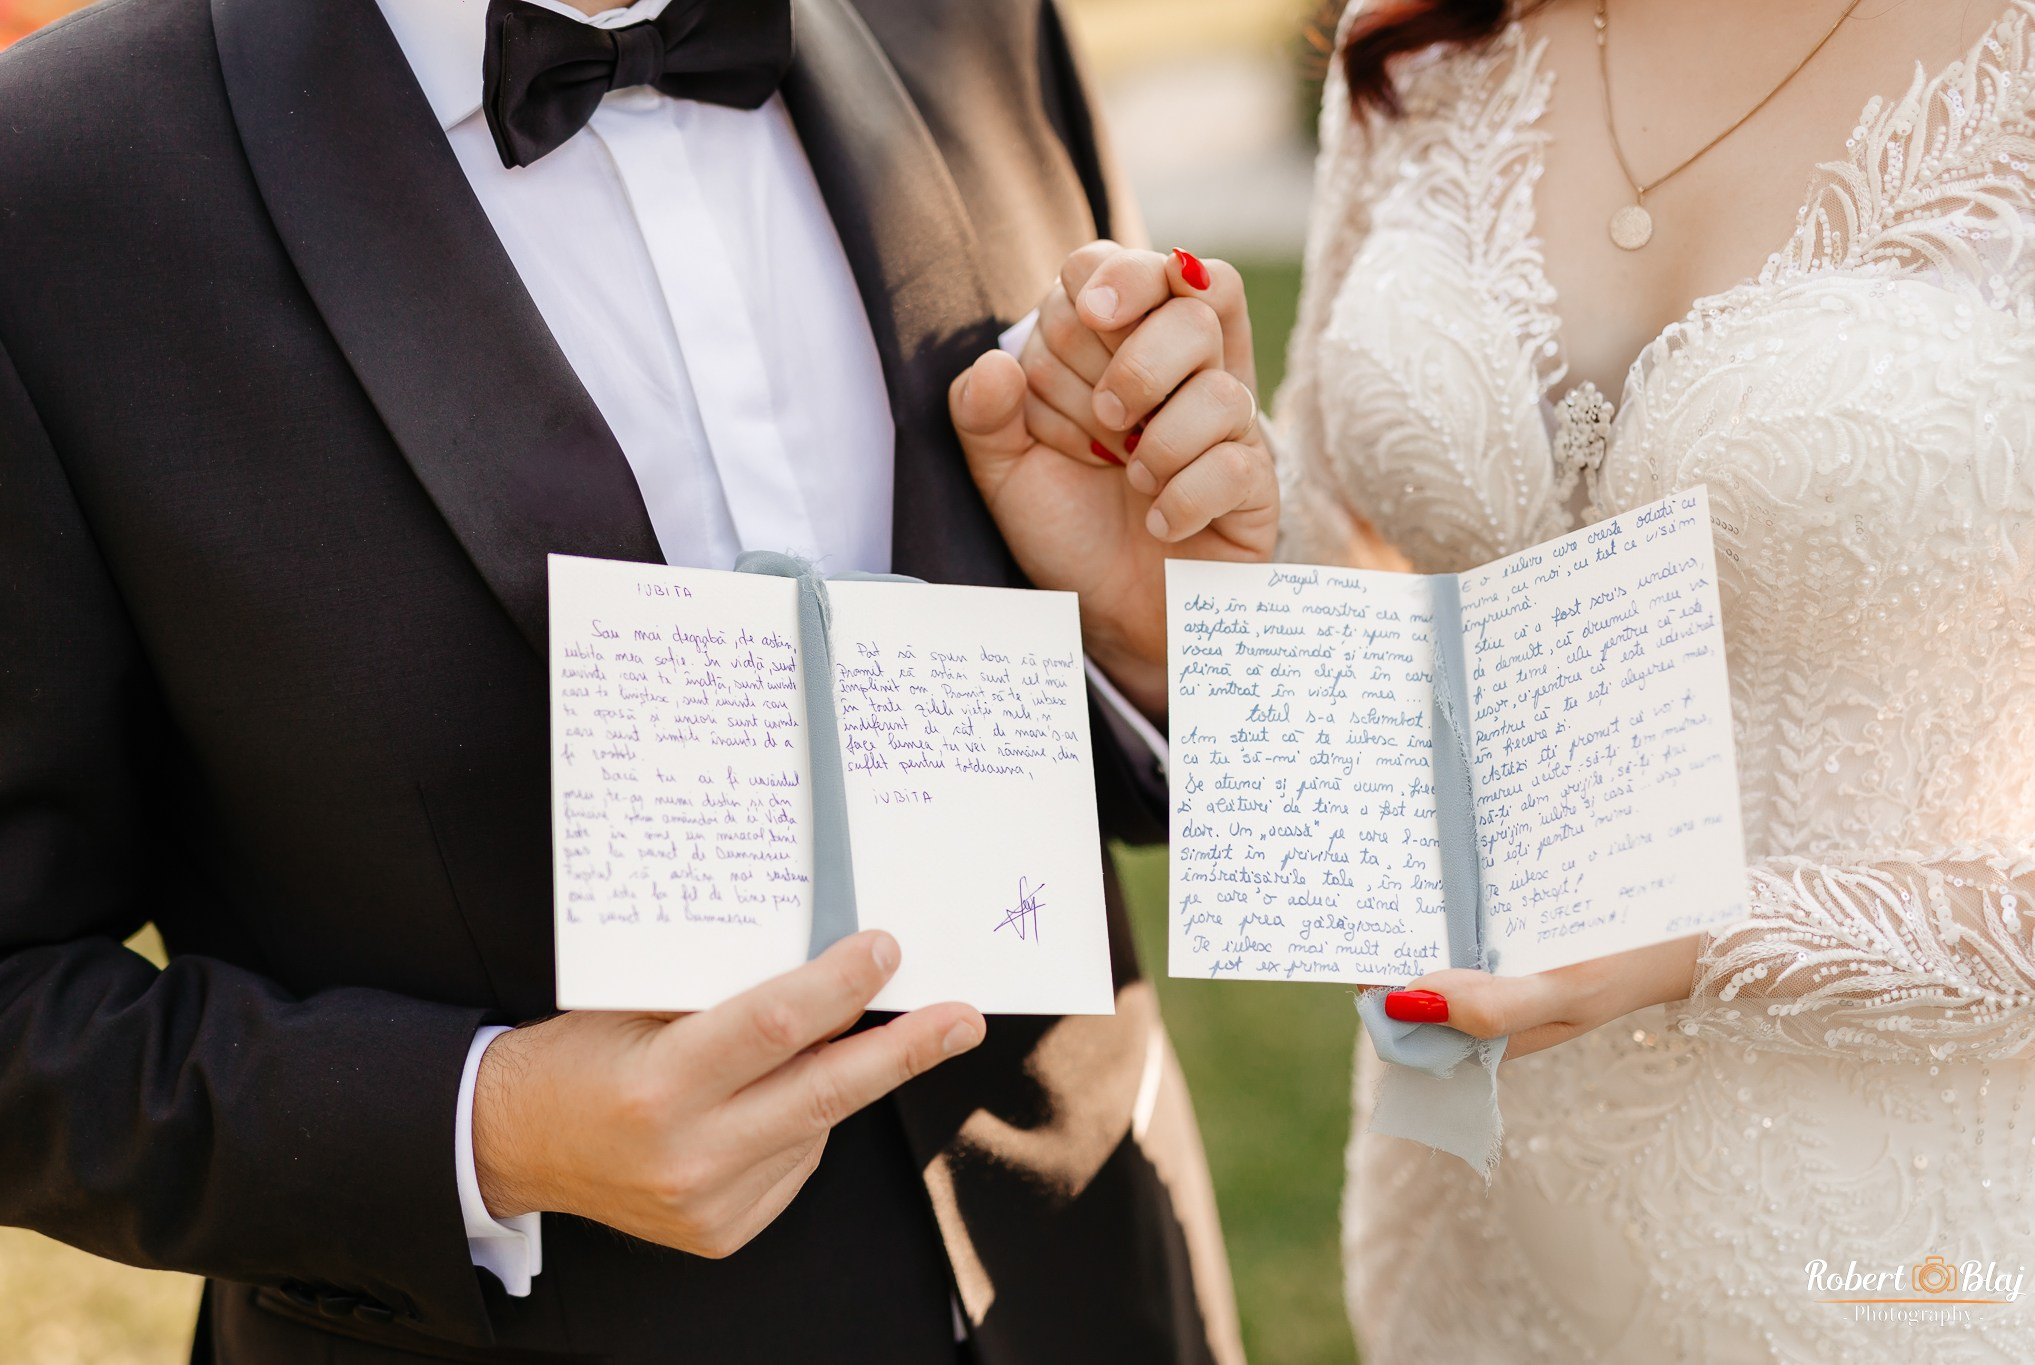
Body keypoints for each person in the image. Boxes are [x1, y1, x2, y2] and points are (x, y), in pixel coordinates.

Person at [0, 0, 1279, 1361]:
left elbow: (1146, 750)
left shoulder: (981, 19)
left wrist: (1154, 644)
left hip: (1104, 1293)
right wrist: (483, 1129)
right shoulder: (59, 178)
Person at [979, 0, 2035, 1357]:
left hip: (1907, 1266)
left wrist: (1707, 933)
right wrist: (1188, 530)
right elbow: (1344, 536)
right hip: (1467, 1229)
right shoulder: (1427, 24)